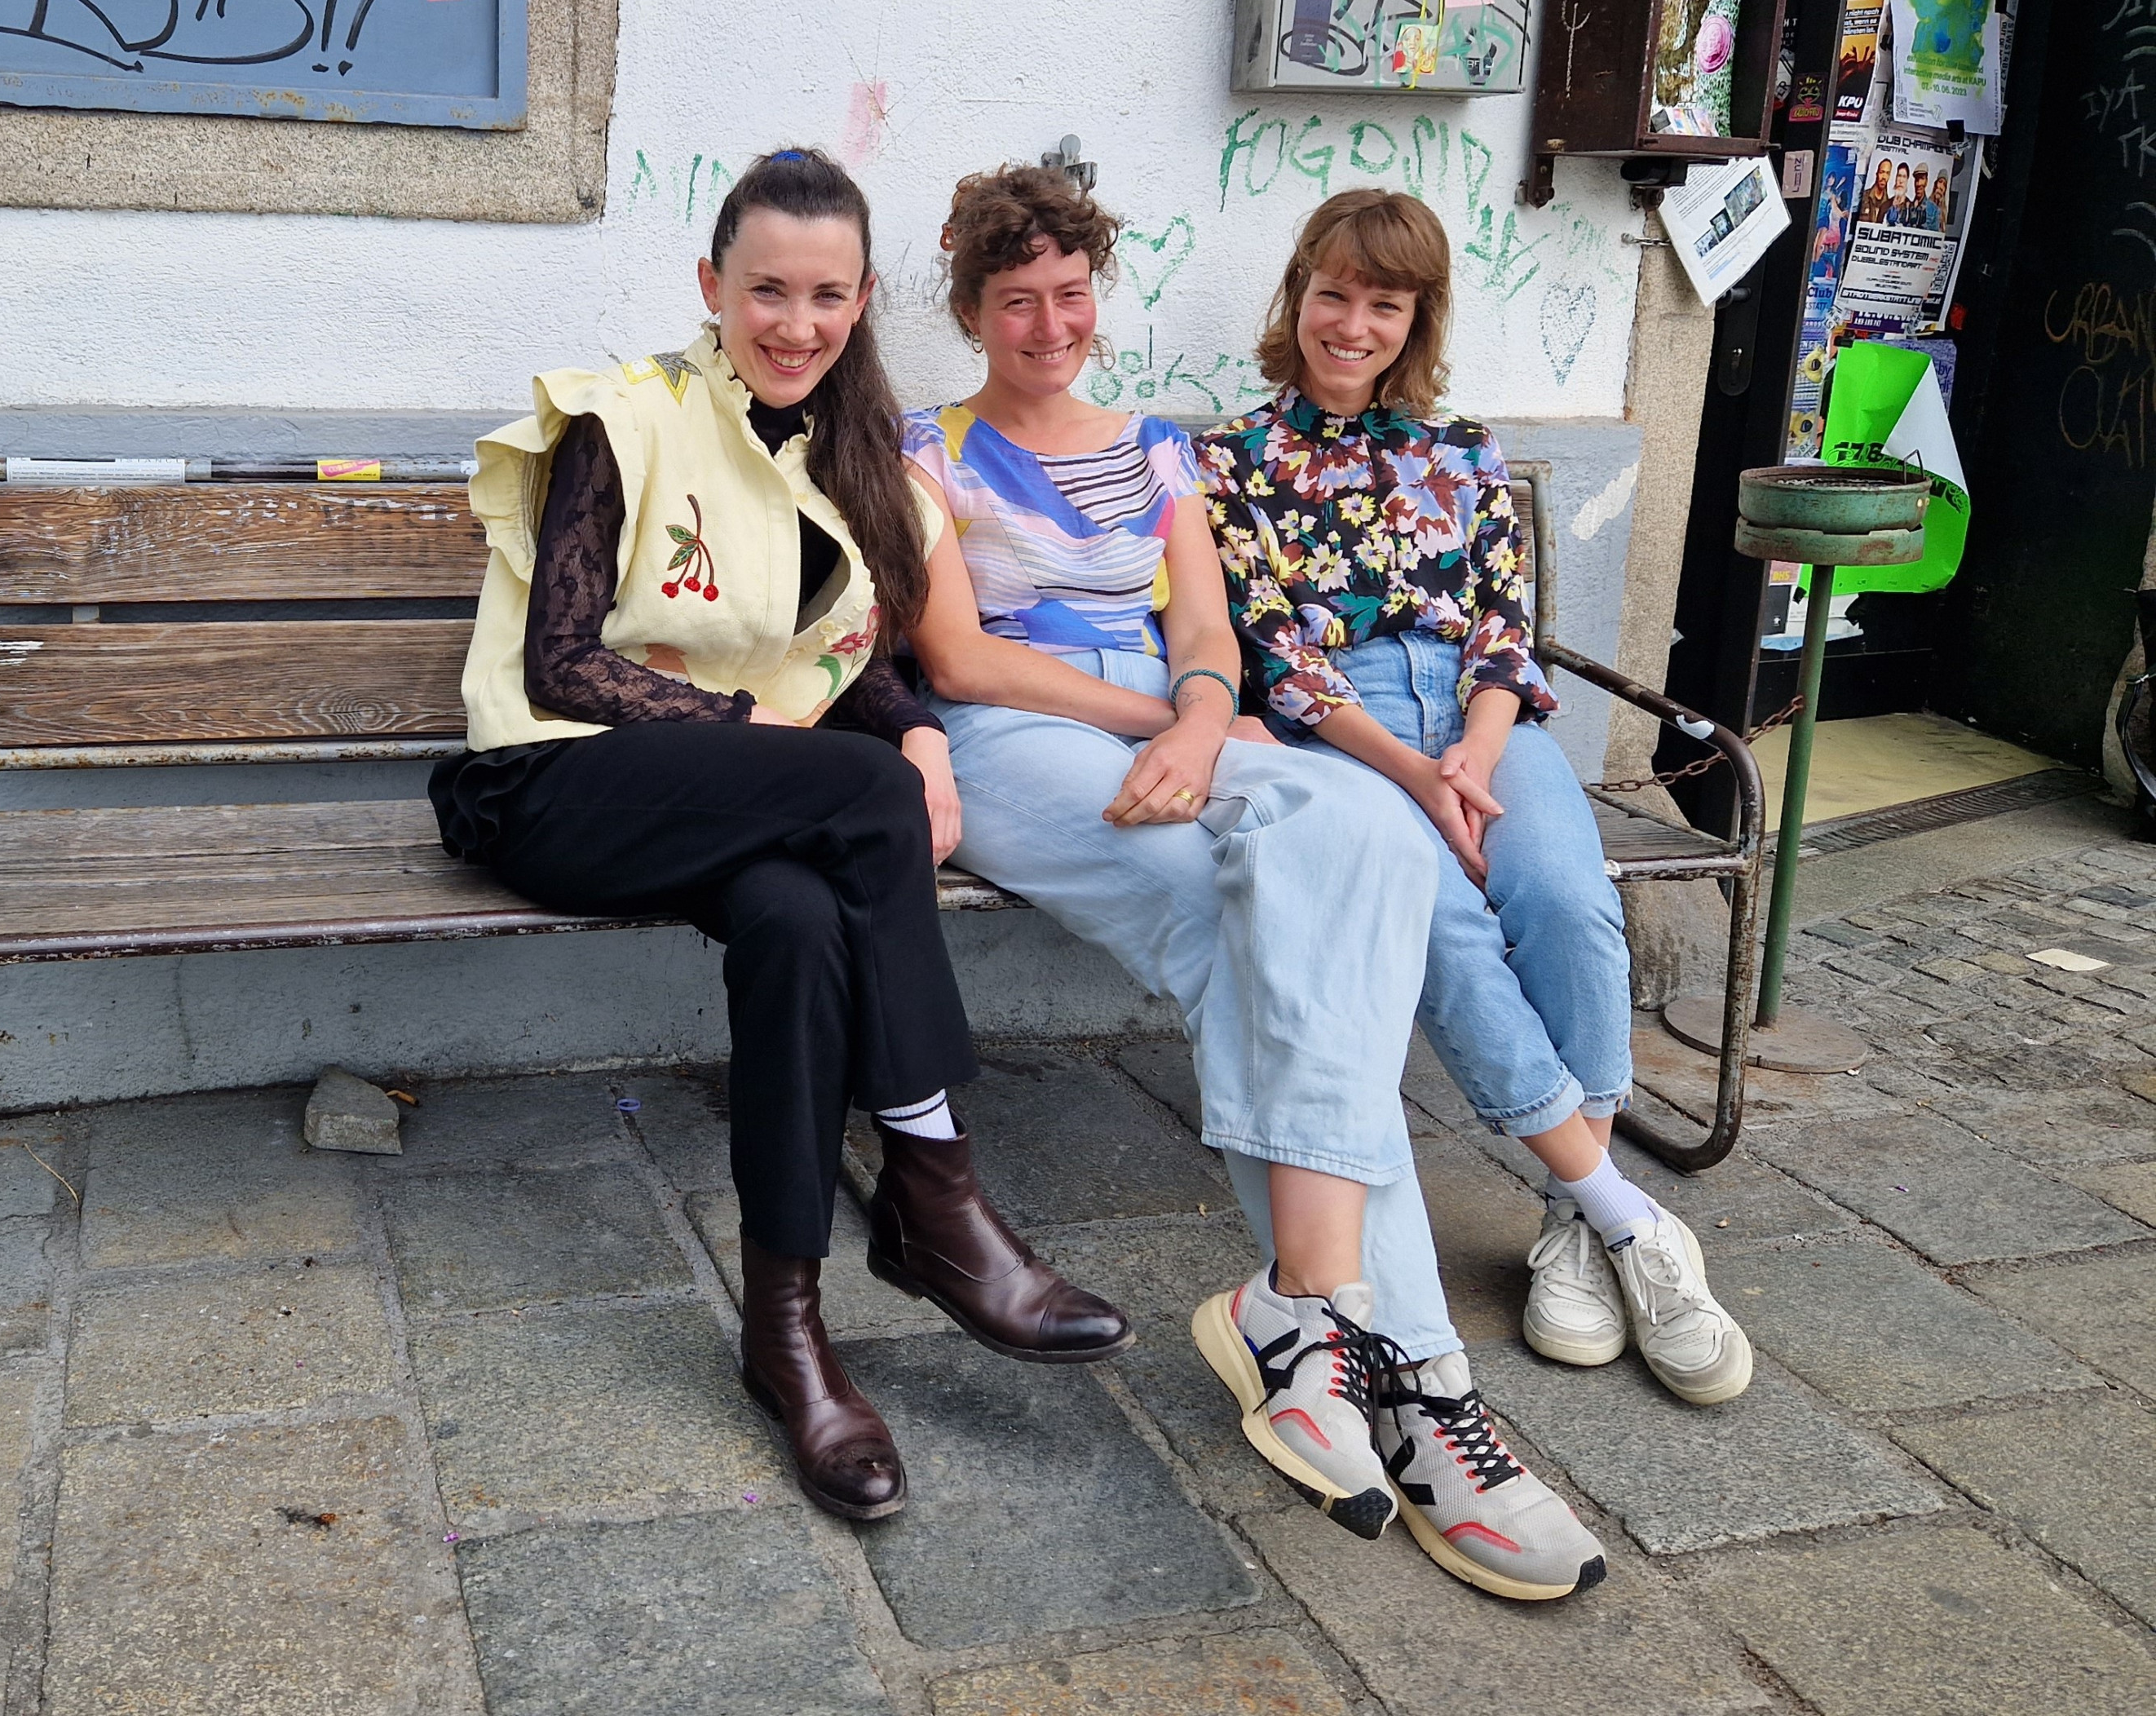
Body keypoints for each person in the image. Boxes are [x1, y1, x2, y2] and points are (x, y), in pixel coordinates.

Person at [899, 163, 1608, 1602]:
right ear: (972, 308)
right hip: (1024, 740)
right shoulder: (925, 449)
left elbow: (1212, 635)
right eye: (1017, 299)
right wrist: (1158, 727)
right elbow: (962, 660)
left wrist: (1206, 721)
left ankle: (1306, 1318)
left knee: (1360, 838)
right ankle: (1425, 1391)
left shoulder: (1161, 450)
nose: (1050, 325)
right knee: (1262, 926)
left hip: (1179, 723)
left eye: (1072, 295)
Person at [430, 149, 1130, 1526]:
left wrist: (919, 731)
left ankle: (787, 1335)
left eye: (825, 295)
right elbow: (564, 661)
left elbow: (849, 660)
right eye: (766, 291)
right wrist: (767, 733)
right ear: (712, 286)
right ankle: (938, 1195)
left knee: (801, 922)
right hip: (556, 789)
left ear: (862, 300)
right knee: (857, 796)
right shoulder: (620, 423)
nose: (795, 323)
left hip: (722, 799)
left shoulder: (853, 463)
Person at [1199, 188, 1754, 1415]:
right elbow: (1277, 654)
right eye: (1333, 294)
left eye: (1381, 304)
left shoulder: (1464, 452)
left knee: (1562, 895)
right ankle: (1625, 1215)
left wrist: (1475, 757)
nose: (1352, 324)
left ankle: (1571, 1218)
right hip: (1348, 735)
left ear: (1416, 317)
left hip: (1481, 720)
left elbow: (1508, 632)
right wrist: (1414, 773)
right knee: (1439, 927)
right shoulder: (1232, 459)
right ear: (1300, 294)